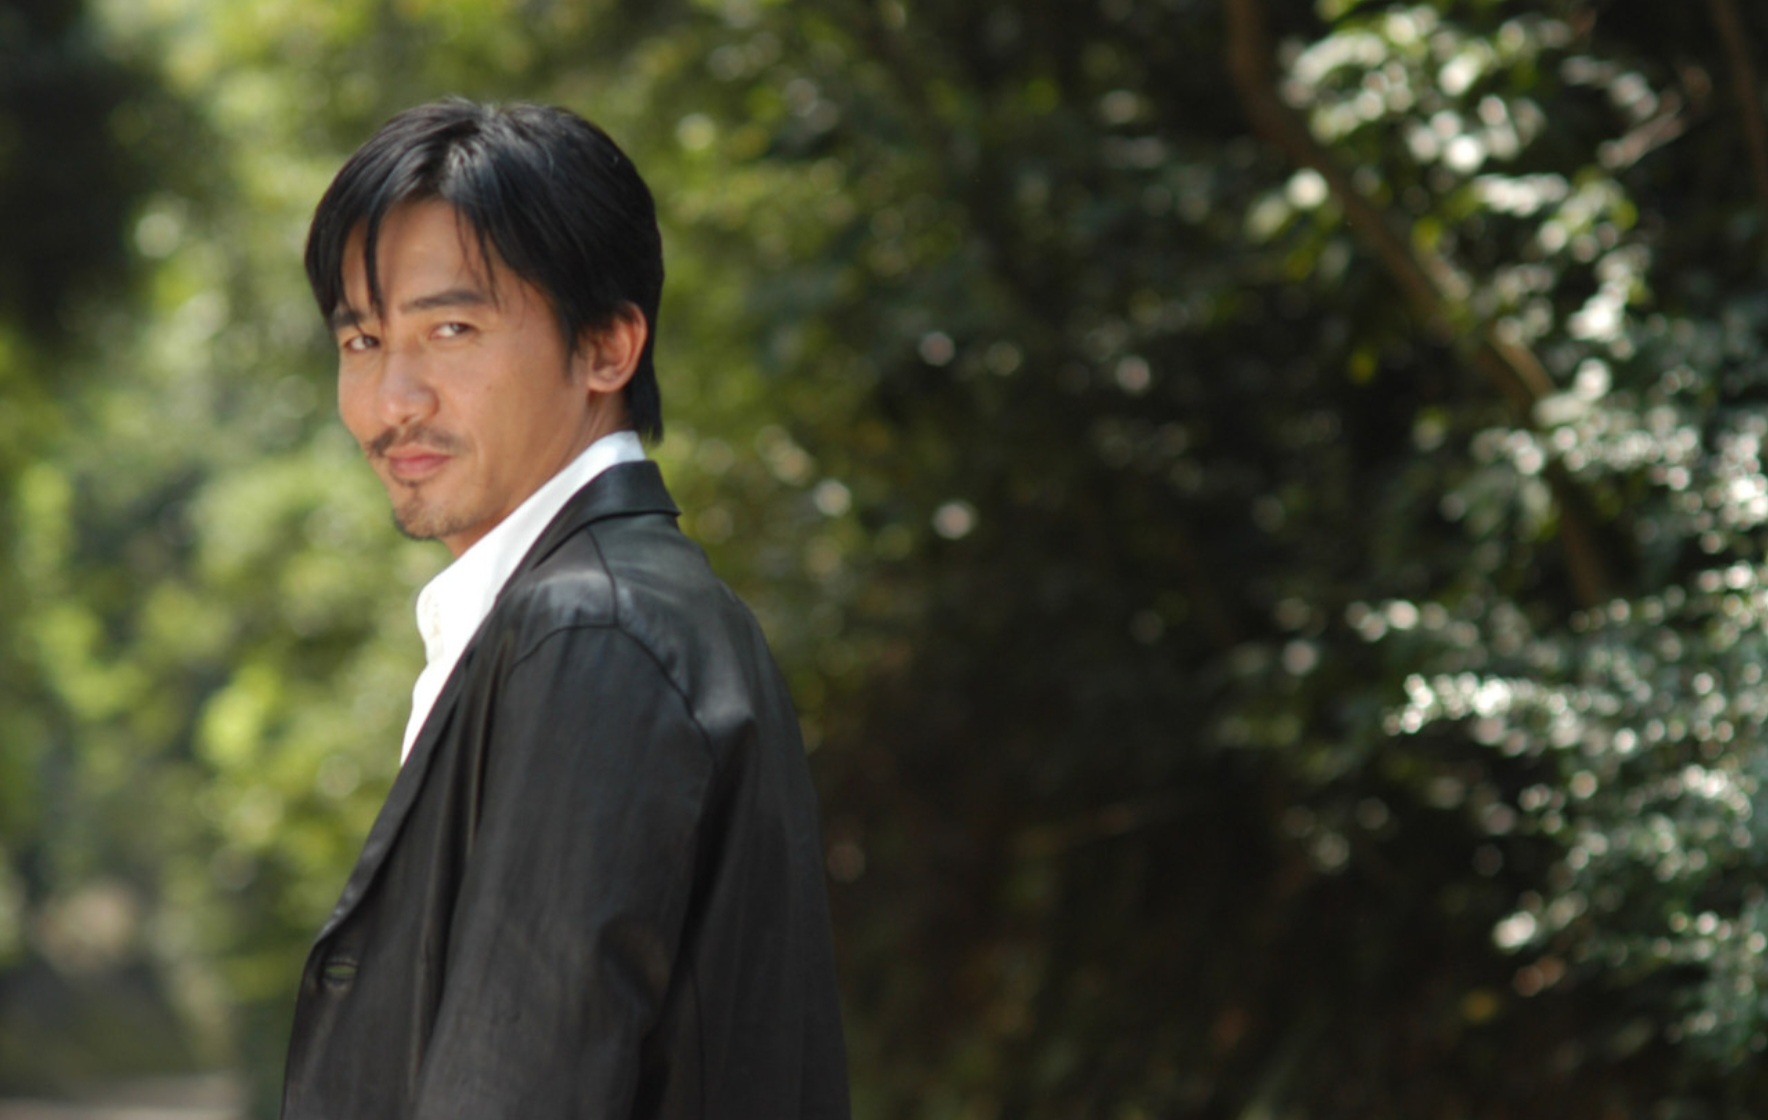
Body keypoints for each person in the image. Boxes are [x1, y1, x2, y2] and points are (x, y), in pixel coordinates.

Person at [278, 98, 850, 1120]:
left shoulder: (593, 632)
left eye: (451, 329)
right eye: (362, 340)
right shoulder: (614, 613)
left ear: (607, 347)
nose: (392, 398)